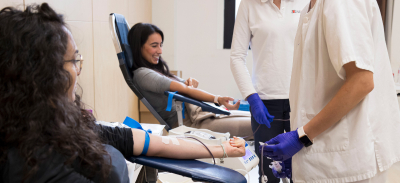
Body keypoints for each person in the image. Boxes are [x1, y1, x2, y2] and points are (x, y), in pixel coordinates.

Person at [0, 4, 246, 183]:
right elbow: (182, 92)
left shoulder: (67, 126)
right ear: (40, 74)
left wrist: (222, 149)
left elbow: (150, 142)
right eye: (74, 59)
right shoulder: (39, 168)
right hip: (200, 115)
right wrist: (215, 99)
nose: (79, 69)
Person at [261, 0, 400, 182]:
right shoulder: (308, 10)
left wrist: (300, 137)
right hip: (326, 156)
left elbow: (361, 81)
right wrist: (300, 156)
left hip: (351, 161)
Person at [127, 23, 253, 138]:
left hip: (203, 115)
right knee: (260, 125)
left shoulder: (155, 70)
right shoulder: (143, 75)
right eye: (154, 46)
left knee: (259, 119)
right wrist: (218, 99)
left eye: (161, 45)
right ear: (139, 47)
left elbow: (185, 86)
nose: (160, 51)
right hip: (193, 124)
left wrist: (188, 82)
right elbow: (185, 90)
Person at [230, 0, 309, 182]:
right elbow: (236, 57)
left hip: (300, 99)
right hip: (264, 104)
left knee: (302, 171)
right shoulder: (249, 5)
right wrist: (252, 98)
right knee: (267, 174)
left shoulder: (306, 2)